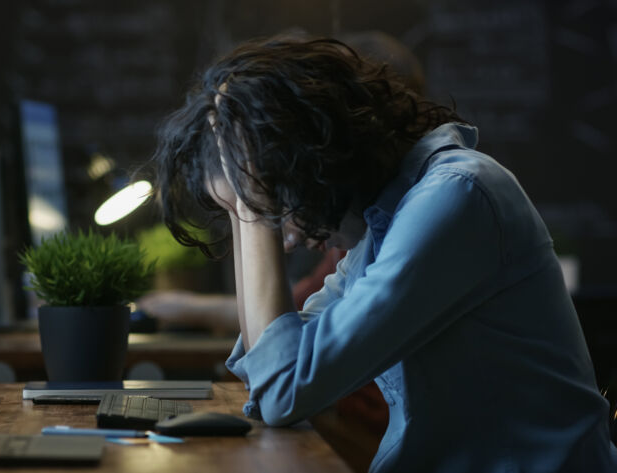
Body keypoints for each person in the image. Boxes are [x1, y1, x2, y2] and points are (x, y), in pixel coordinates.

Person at [151, 35, 617, 472]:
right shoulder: (382, 226)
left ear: (317, 160)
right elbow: (267, 372)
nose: (286, 237)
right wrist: (241, 201)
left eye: (275, 204)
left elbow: (283, 390)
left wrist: (253, 213)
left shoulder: (456, 197)